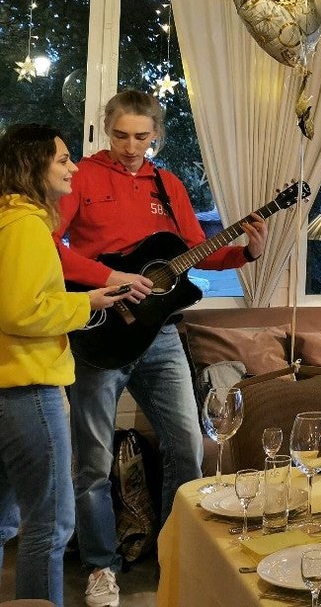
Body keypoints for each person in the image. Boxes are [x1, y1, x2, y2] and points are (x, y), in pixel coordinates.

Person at [55, 91, 267, 607]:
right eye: (120, 135)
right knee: (93, 460)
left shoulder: (168, 185)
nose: (130, 147)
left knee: (188, 443)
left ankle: (177, 550)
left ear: (156, 135)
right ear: (107, 130)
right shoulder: (81, 176)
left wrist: (245, 252)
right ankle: (101, 566)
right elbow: (51, 246)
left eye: (141, 137)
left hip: (162, 334)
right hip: (100, 328)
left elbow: (193, 250)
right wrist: (111, 276)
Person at [0, 124, 136, 605]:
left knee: (5, 520)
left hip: (10, 385)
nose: (73, 167)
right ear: (32, 165)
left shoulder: (8, 219)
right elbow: (22, 312)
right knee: (50, 525)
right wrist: (88, 303)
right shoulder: (25, 226)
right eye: (62, 159)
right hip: (28, 386)